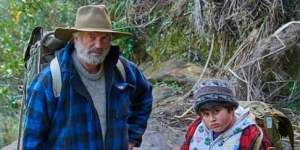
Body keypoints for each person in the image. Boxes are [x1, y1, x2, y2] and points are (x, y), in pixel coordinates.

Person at [22, 5, 153, 150]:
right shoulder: (50, 81)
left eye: (104, 38)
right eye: (91, 36)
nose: (98, 44)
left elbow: (144, 95)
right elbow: (32, 143)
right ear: (75, 38)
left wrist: (132, 137)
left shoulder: (122, 70)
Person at [181, 79, 273, 150]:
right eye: (206, 114)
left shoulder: (250, 134)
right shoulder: (196, 126)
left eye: (216, 111)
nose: (211, 119)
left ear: (231, 108)